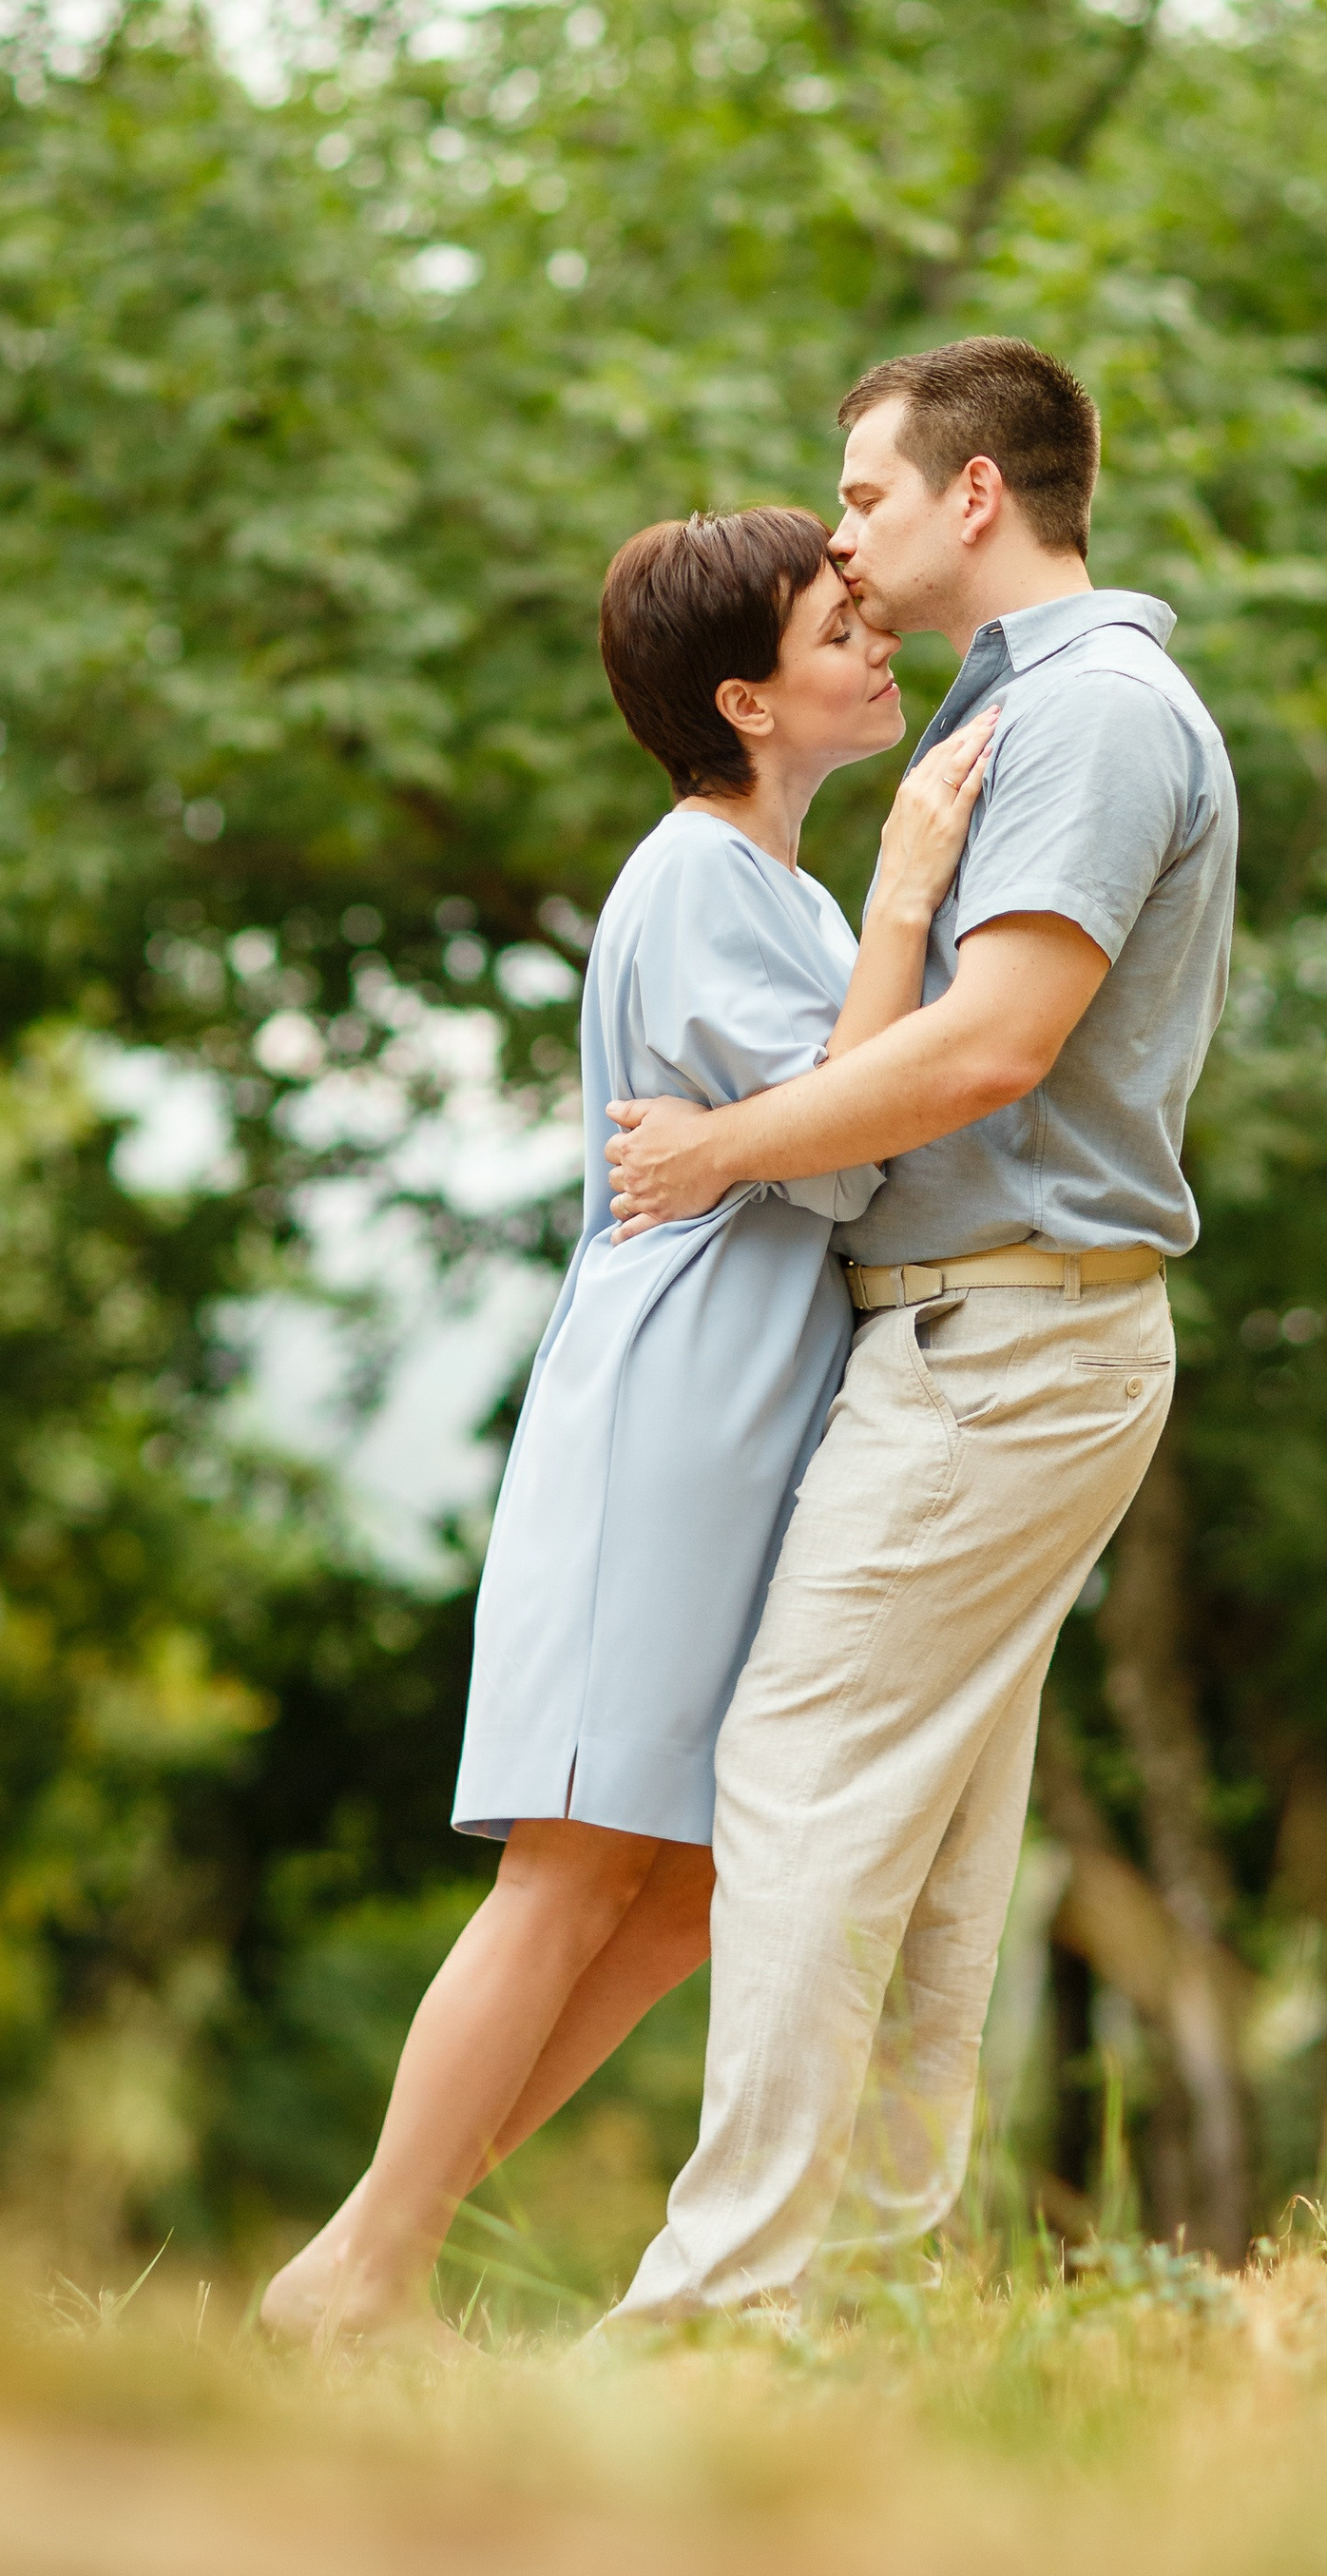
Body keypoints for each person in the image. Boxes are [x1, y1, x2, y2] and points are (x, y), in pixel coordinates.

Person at [260, 506, 995, 2345]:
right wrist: (913, 895)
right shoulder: (694, 878)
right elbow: (852, 1137)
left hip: (752, 1422)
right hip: (668, 1425)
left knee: (689, 1892)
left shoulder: (778, 892)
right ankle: (364, 2272)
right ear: (747, 701)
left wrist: (876, 932)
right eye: (839, 628)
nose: (875, 641)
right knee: (578, 1861)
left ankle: (366, 2256)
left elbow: (834, 1115)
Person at [601, 337, 1237, 2324]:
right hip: (980, 1341)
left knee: (792, 1783)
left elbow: (994, 1046)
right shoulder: (1007, 706)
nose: (845, 547)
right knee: (942, 1852)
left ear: (975, 495)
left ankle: (718, 2311)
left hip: (1008, 1342)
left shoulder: (1098, 714)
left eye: (862, 497)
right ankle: (862, 2297)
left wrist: (717, 1148)